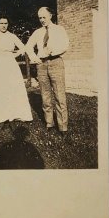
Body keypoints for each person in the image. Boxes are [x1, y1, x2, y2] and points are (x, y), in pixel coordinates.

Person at [0, 16, 33, 129]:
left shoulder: (12, 36)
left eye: (6, 23)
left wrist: (15, 54)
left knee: (12, 88)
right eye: (1, 23)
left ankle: (13, 114)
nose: (4, 25)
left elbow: (23, 47)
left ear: (8, 24)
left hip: (10, 65)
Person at [26, 7, 69, 135]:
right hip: (42, 65)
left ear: (50, 15)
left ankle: (63, 127)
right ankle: (49, 123)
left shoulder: (59, 29)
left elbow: (66, 44)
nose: (42, 20)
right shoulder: (38, 32)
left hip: (56, 62)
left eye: (44, 17)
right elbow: (28, 46)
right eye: (40, 18)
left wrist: (53, 51)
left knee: (59, 95)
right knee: (45, 95)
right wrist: (35, 58)